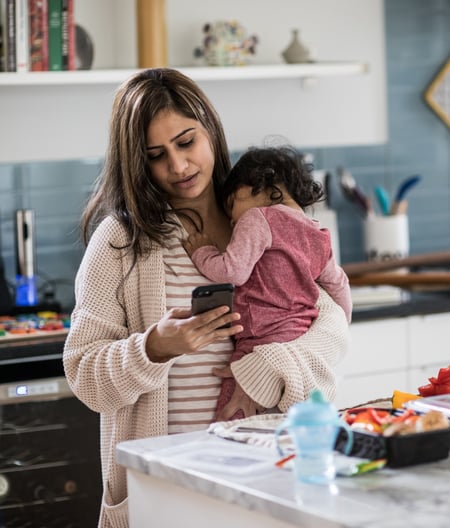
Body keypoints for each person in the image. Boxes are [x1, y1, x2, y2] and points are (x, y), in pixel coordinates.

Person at [62, 68, 349, 528]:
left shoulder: (263, 215)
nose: (178, 166)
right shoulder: (121, 240)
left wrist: (271, 367)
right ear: (137, 163)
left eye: (186, 142)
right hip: (169, 494)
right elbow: (84, 376)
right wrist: (155, 347)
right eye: (156, 155)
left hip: (270, 478)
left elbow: (331, 328)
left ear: (210, 130)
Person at [183, 145, 352, 421]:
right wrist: (342, 322)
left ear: (260, 186)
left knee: (232, 419)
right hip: (299, 340)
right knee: (282, 427)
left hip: (259, 343)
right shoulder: (318, 233)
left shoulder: (257, 218)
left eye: (231, 205)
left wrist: (202, 252)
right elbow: (338, 286)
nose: (232, 218)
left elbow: (233, 272)